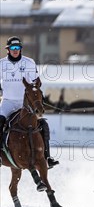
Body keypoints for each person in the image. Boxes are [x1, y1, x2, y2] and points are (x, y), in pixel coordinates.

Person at [0, 36, 59, 168]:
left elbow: (36, 83)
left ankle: (47, 156)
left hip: (25, 104)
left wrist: (36, 98)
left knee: (43, 125)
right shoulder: (1, 64)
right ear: (8, 50)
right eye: (12, 48)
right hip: (8, 102)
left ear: (20, 49)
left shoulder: (29, 62)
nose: (15, 50)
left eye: (18, 48)